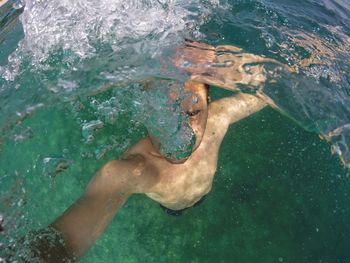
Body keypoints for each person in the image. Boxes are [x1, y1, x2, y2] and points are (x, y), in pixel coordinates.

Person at [28, 40, 285, 262]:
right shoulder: (135, 169)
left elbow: (273, 87)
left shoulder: (219, 118)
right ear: (144, 107)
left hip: (202, 192)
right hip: (170, 204)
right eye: (164, 110)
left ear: (209, 104)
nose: (180, 129)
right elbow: (66, 241)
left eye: (193, 112)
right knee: (175, 210)